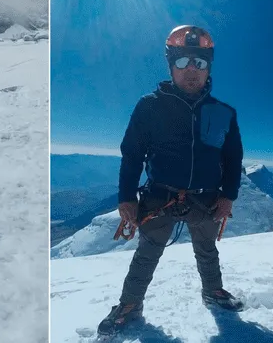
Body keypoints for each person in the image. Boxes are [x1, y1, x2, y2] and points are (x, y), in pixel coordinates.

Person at [97, 25, 244, 336]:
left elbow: (233, 159)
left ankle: (213, 290)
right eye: (183, 62)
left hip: (205, 198)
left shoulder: (224, 113)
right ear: (171, 66)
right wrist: (125, 198)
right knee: (147, 253)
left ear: (208, 68)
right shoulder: (149, 106)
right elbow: (132, 154)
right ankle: (130, 304)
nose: (192, 71)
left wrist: (228, 196)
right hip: (159, 196)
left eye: (199, 63)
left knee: (206, 250)